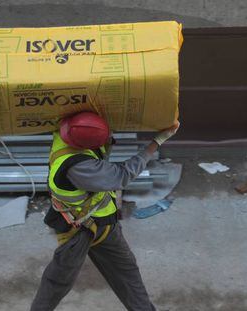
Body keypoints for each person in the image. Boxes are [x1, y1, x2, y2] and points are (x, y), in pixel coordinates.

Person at [30, 112, 179, 311]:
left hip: (101, 224)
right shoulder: (80, 167)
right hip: (80, 230)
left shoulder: (64, 134)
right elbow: (123, 175)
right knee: (58, 280)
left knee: (127, 274)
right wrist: (156, 142)